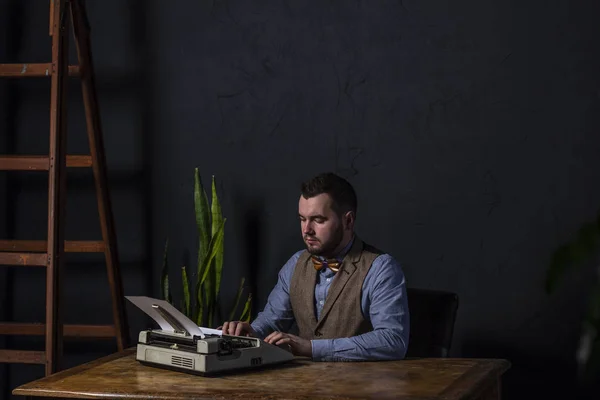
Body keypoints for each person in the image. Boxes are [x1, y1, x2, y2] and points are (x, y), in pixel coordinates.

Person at [221, 172, 409, 361]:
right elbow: (272, 320)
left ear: (348, 221)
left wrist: (311, 348)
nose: (307, 230)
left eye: (318, 220)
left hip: (360, 387)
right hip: (303, 385)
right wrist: (251, 333)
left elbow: (392, 341)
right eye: (302, 219)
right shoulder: (295, 264)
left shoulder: (381, 269)